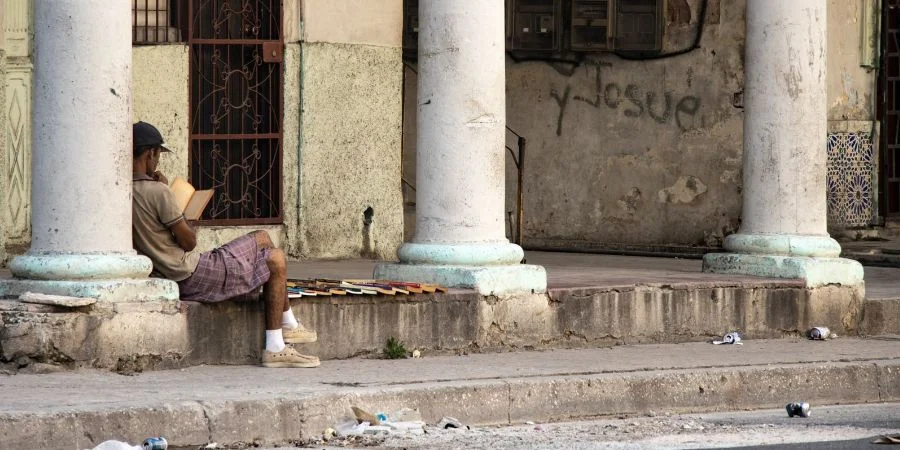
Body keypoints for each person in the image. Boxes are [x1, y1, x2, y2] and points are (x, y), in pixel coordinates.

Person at [130, 121, 319, 368]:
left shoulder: (125, 191)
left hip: (172, 271)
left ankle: (288, 326)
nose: (158, 163)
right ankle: (277, 344)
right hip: (190, 272)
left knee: (265, 244)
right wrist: (185, 212)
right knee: (274, 257)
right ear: (150, 153)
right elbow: (188, 241)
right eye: (157, 156)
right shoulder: (158, 192)